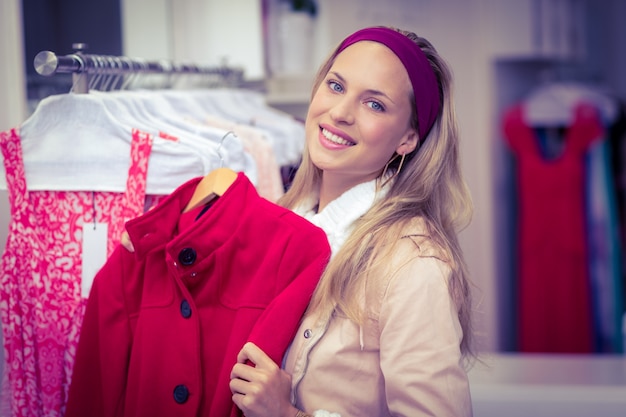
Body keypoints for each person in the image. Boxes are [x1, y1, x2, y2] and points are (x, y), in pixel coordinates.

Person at [228, 26, 475, 417]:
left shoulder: (413, 265)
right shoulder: (281, 220)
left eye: (374, 104)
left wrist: (285, 413)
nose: (340, 113)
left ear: (407, 139)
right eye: (336, 86)